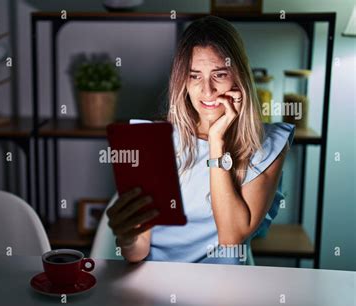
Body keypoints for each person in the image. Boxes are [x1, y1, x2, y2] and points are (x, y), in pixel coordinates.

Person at [106, 16, 295, 264]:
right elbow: (138, 251)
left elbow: (231, 238)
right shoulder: (153, 141)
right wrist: (127, 237)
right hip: (157, 283)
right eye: (195, 76)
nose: (207, 90)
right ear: (183, 81)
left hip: (225, 288)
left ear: (239, 77)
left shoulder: (269, 143)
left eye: (219, 74)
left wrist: (217, 141)